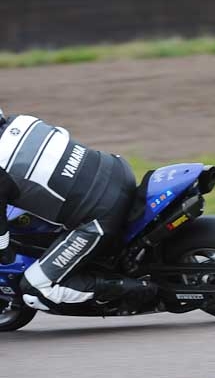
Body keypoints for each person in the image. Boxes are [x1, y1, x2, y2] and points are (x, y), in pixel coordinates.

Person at [0, 108, 157, 314]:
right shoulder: (23, 121)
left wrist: (4, 255)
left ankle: (142, 291)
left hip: (99, 215)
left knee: (34, 290)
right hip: (117, 169)